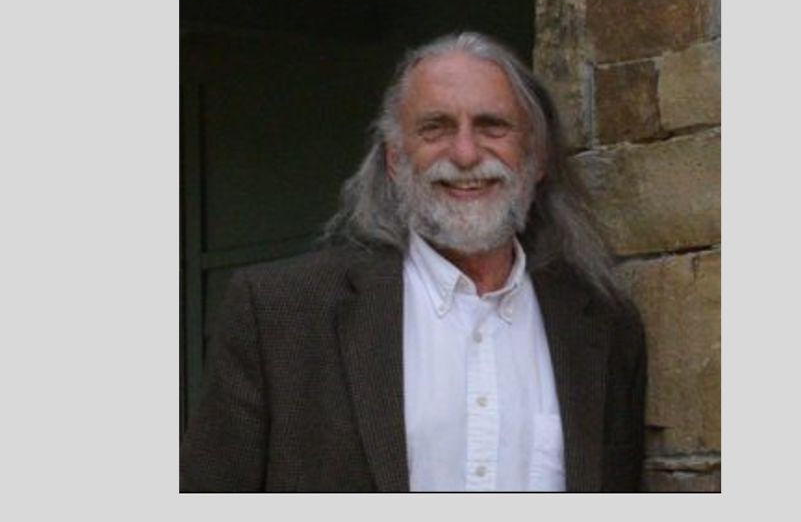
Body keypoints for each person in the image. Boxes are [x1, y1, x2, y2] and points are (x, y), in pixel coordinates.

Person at [180, 32, 646, 492]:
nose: (465, 154)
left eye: (492, 126)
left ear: (537, 156)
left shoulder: (603, 326)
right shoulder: (281, 314)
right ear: (395, 160)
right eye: (435, 128)